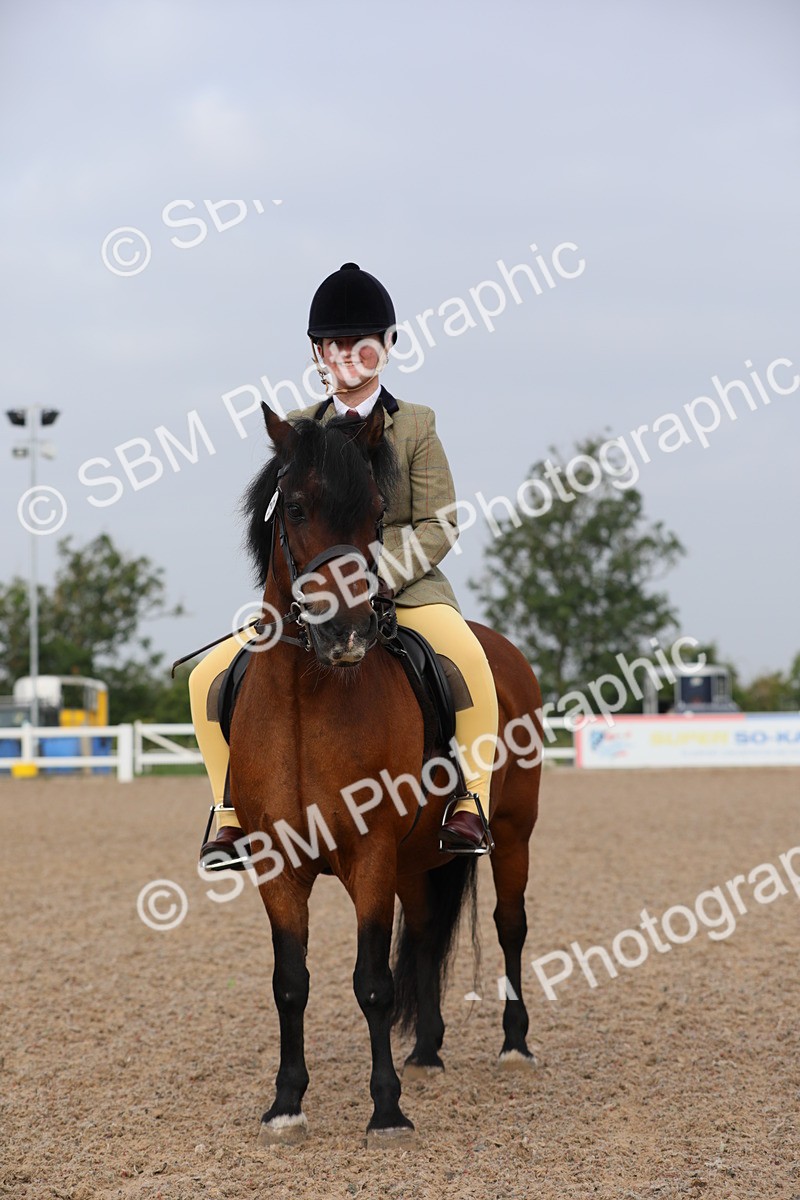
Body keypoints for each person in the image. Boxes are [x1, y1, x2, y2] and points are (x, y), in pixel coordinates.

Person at [190, 263, 498, 865]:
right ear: (317, 353)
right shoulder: (300, 431)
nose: (349, 357)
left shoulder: (415, 426)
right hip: (316, 599)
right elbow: (286, 525)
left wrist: (376, 573)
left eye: (363, 344)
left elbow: (440, 522)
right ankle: (229, 814)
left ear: (387, 347)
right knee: (206, 679)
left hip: (405, 590)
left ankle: (471, 800)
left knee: (470, 662)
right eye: (334, 346)